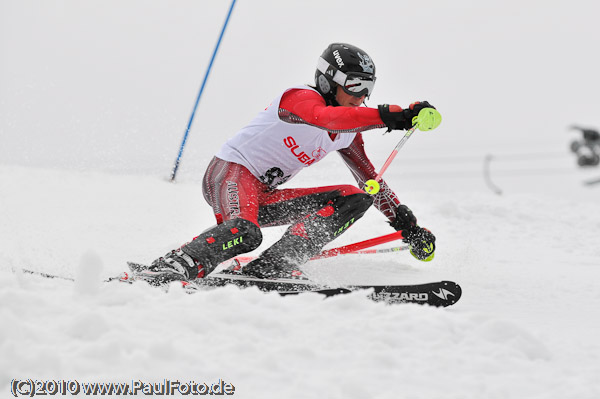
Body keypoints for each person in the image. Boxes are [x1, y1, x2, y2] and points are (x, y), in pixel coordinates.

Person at [136, 43, 439, 284]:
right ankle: (173, 265)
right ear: (328, 80)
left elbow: (371, 180)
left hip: (263, 196)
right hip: (230, 174)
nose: (361, 97)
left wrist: (406, 225)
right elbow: (325, 118)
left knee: (355, 197)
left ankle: (276, 263)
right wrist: (392, 115)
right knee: (245, 232)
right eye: (354, 86)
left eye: (367, 89)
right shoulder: (298, 99)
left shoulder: (347, 134)